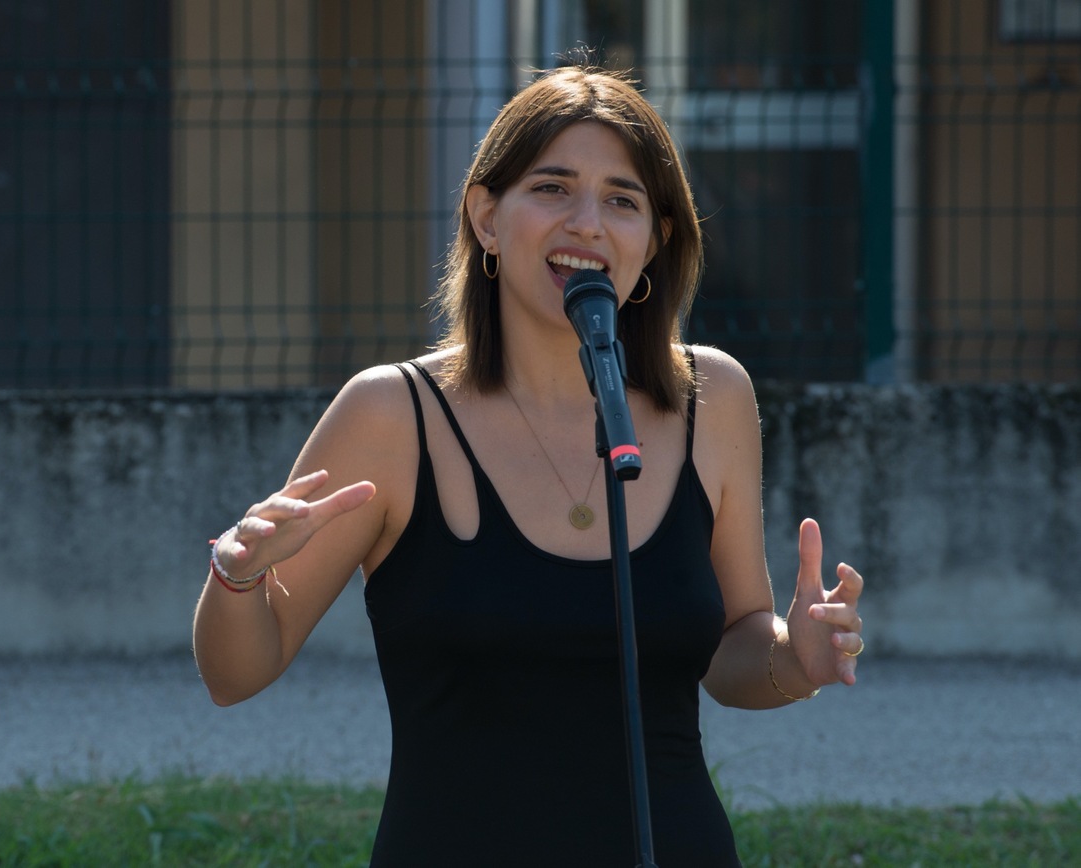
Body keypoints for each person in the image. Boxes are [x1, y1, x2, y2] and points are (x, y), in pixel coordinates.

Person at [193, 63, 865, 866]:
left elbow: (733, 649)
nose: (588, 224)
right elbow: (236, 674)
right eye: (552, 188)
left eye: (622, 200)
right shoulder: (390, 416)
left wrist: (795, 658)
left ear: (654, 241)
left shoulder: (712, 397)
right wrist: (237, 577)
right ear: (486, 216)